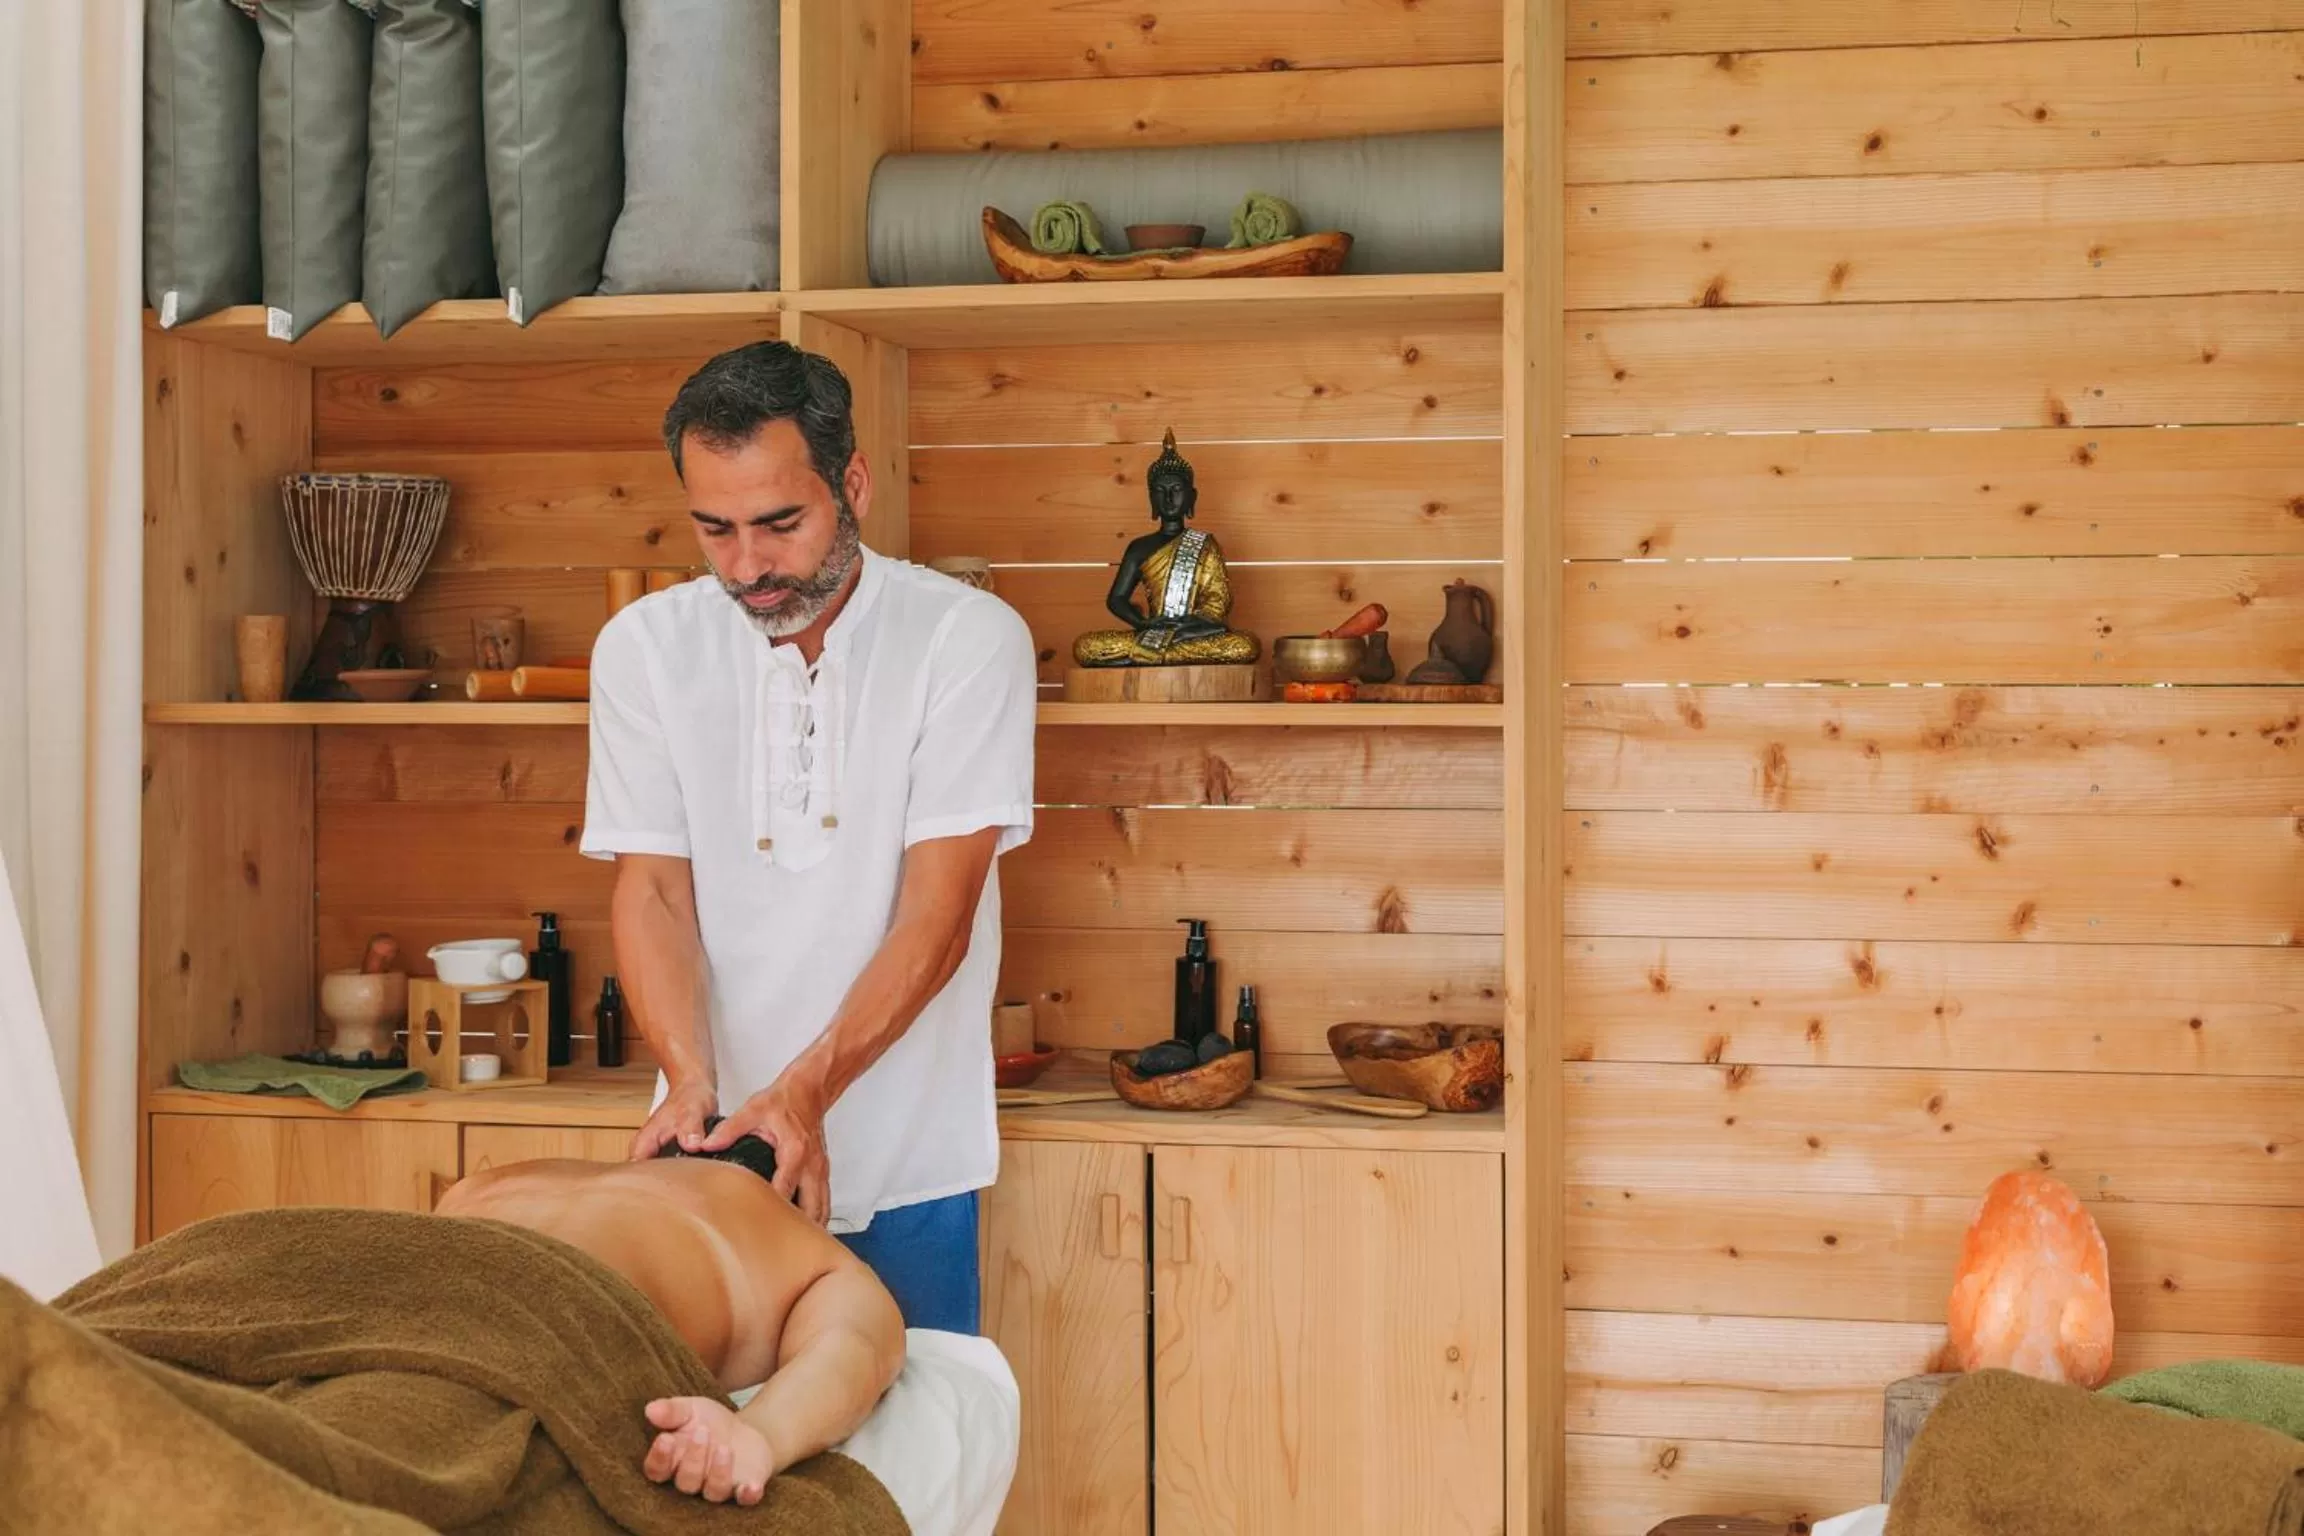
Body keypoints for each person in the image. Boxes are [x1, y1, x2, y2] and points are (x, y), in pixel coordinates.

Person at [580, 339, 1039, 1335]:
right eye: (715, 529)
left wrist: (806, 1097)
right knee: (713, 1465)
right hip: (713, 1167)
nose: (748, 566)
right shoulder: (645, 650)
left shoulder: (967, 640)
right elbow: (652, 891)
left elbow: (939, 915)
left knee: (913, 1469)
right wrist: (691, 1083)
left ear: (854, 484)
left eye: (779, 523)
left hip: (908, 1158)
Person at [436, 1132, 905, 1507]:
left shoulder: (488, 1183)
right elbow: (854, 1347)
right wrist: (758, 1436)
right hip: (570, 1321)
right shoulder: (790, 1236)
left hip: (431, 1297)